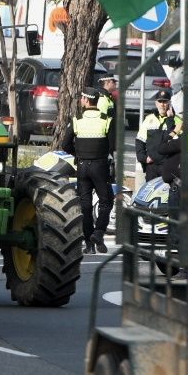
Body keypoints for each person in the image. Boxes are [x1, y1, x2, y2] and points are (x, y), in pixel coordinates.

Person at [63, 86, 114, 252]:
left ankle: (89, 244)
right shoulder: (106, 119)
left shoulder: (77, 119)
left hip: (82, 166)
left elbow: (65, 144)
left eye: (81, 99)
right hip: (100, 166)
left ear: (85, 100)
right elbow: (113, 145)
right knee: (106, 201)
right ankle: (98, 233)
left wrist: (77, 153)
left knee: (85, 205)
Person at [135, 88, 177, 181]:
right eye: (160, 101)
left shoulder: (176, 121)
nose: (162, 104)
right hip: (151, 165)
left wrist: (170, 119)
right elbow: (140, 140)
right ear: (156, 103)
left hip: (167, 166)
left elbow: (174, 140)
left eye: (165, 102)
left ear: (170, 103)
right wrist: (143, 158)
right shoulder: (149, 119)